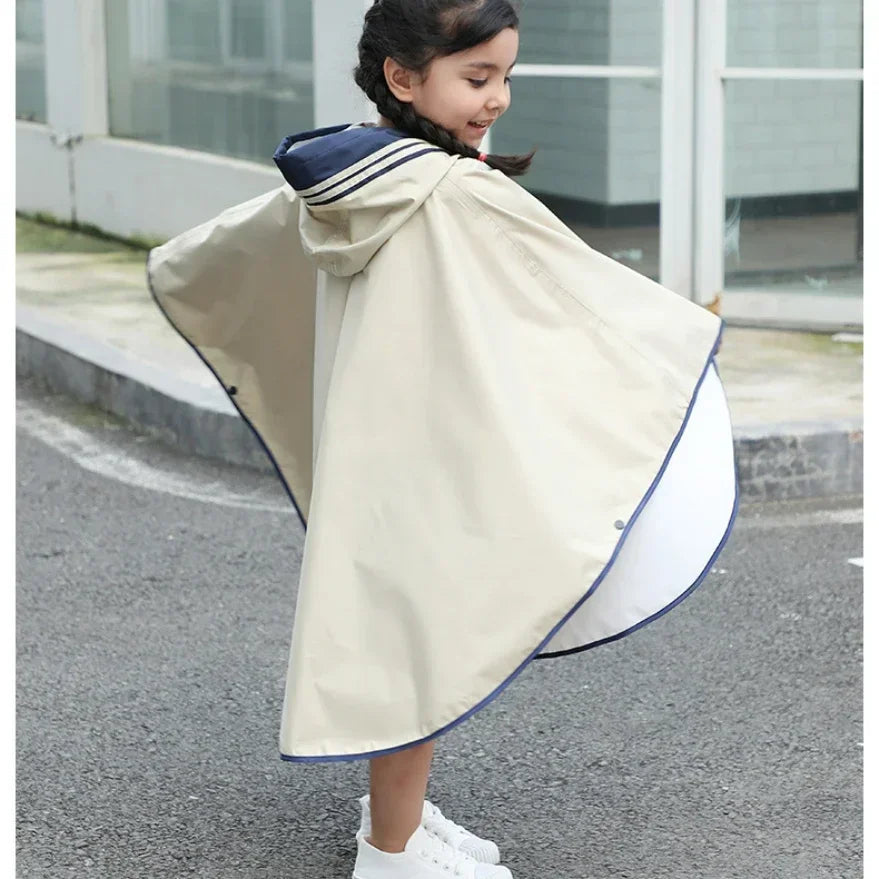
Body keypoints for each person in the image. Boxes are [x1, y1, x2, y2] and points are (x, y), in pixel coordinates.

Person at [148, 1, 738, 877]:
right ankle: (389, 854)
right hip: (427, 448)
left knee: (409, 638)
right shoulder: (448, 189)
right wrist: (673, 335)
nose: (497, 97)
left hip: (386, 443)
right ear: (402, 76)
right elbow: (568, 289)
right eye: (476, 77)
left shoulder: (357, 174)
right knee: (422, 648)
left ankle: (399, 822)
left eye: (505, 76)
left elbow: (254, 240)